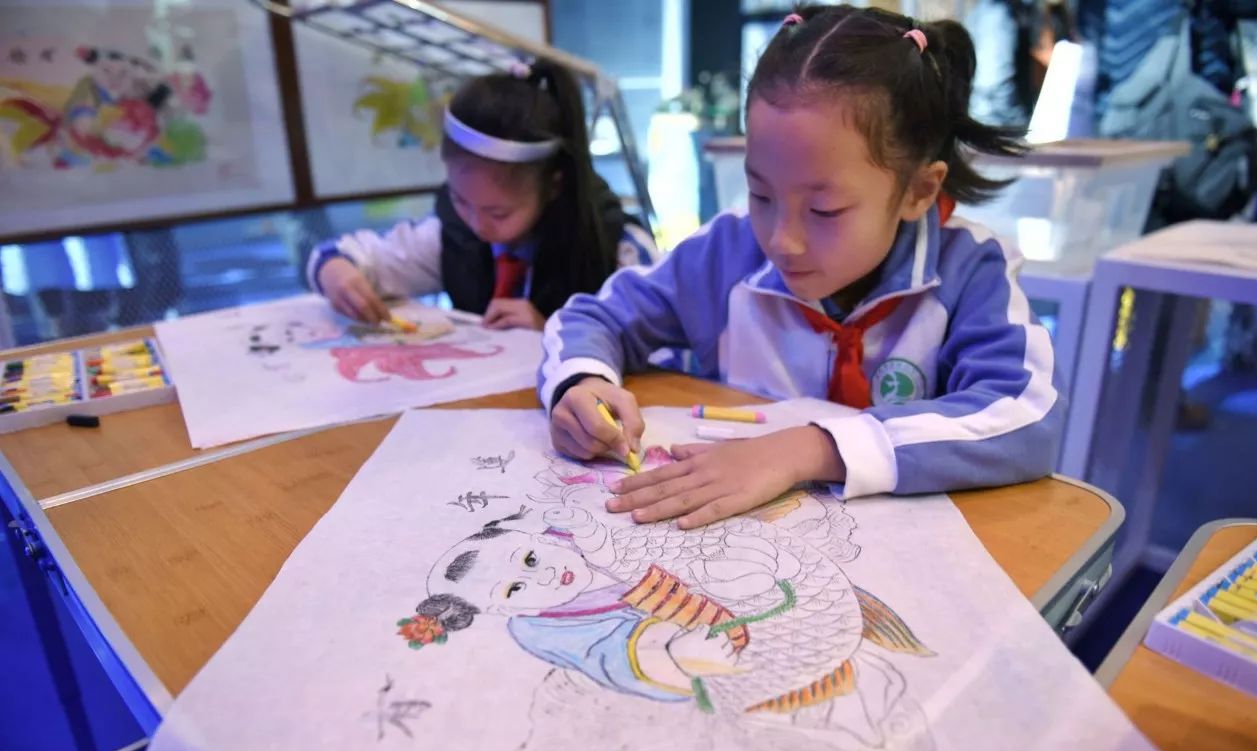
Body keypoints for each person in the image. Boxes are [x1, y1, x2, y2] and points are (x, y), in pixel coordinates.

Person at [539, 5, 1064, 529]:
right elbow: (594, 316)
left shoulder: (972, 269)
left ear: (919, 191)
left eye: (824, 210)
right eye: (761, 194)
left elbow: (1025, 416)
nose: (781, 240)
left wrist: (809, 449)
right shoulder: (728, 250)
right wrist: (582, 382)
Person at [307, 59, 656, 331]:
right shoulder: (452, 234)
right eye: (460, 200)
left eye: (498, 213)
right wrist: (336, 272)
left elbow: (665, 347)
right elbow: (349, 255)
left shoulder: (617, 249)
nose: (478, 225)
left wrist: (555, 332)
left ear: (553, 186)